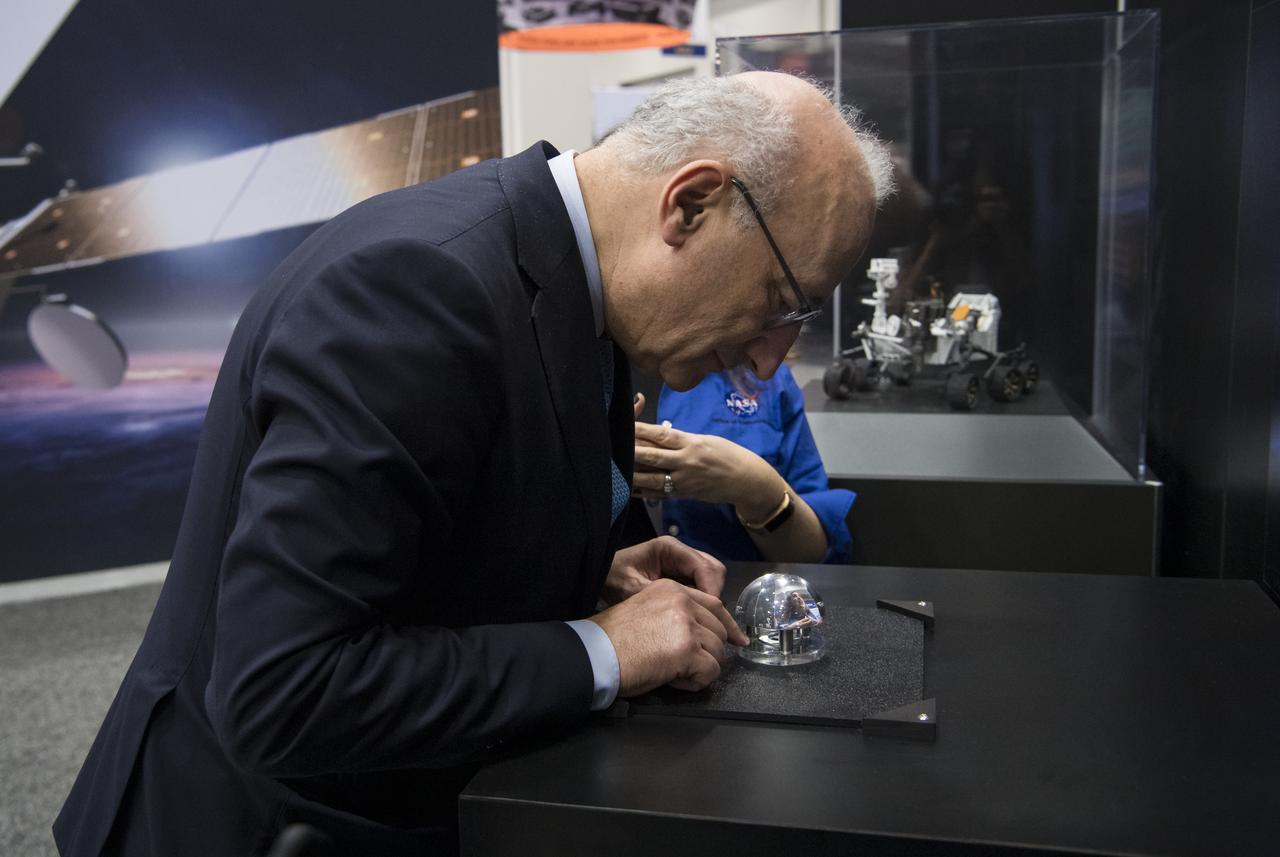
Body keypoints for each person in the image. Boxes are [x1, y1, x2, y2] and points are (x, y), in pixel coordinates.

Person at [54, 71, 892, 856]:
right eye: (784, 303)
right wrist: (601, 649)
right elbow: (283, 689)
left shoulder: (574, 287)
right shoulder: (419, 289)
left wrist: (586, 569)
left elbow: (431, 532)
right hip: (263, 823)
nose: (773, 359)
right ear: (693, 202)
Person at [633, 362, 855, 564]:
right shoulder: (603, 377)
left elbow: (811, 555)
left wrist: (757, 487)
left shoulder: (765, 377)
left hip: (736, 596)